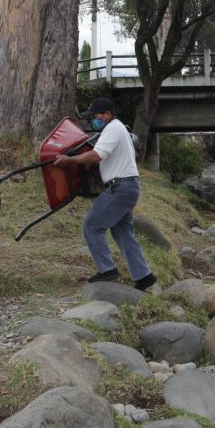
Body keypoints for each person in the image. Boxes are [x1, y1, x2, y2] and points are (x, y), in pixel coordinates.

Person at [53, 97, 157, 290]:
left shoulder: (113, 128)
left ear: (108, 114)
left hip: (121, 187)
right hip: (127, 186)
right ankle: (144, 276)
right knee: (123, 233)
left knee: (92, 226)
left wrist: (70, 160)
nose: (94, 120)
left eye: (96, 116)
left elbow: (96, 155)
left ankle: (107, 269)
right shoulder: (118, 129)